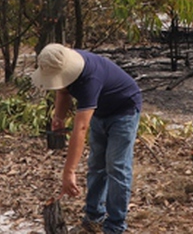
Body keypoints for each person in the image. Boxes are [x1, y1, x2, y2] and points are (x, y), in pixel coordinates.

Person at [32, 43, 142, 234]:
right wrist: (59, 116)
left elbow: (81, 128)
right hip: (101, 110)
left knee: (116, 166)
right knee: (96, 164)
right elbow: (63, 90)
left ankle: (115, 226)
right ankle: (93, 218)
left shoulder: (89, 78)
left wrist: (69, 171)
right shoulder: (66, 70)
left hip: (124, 110)